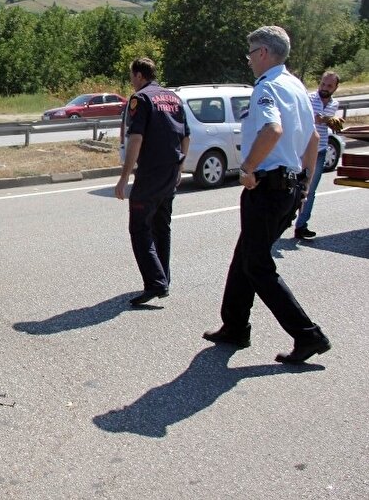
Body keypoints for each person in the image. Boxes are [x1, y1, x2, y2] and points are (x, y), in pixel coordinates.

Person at [203, 25, 330, 364]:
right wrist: (304, 184)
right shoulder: (296, 86)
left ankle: (308, 335)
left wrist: (247, 167)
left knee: (257, 265)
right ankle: (234, 325)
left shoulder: (267, 88)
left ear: (263, 53)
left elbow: (272, 130)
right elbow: (314, 140)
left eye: (250, 54)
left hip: (267, 187)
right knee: (246, 254)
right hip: (287, 187)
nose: (249, 61)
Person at [114, 57, 190, 306]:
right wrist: (179, 167)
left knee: (139, 228)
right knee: (161, 226)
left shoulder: (141, 99)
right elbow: (186, 136)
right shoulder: (174, 98)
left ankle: (156, 282)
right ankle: (163, 278)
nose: (131, 81)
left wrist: (124, 178)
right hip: (169, 172)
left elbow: (136, 139)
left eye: (131, 76)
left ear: (138, 75)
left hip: (150, 173)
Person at [294, 70, 340, 240]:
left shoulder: (335, 104)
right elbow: (302, 116)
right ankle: (282, 220)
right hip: (302, 149)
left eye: (329, 86)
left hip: (320, 151)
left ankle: (301, 226)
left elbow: (330, 121)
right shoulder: (309, 98)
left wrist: (332, 123)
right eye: (322, 84)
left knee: (310, 190)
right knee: (291, 186)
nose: (324, 88)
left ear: (335, 88)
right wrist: (319, 118)